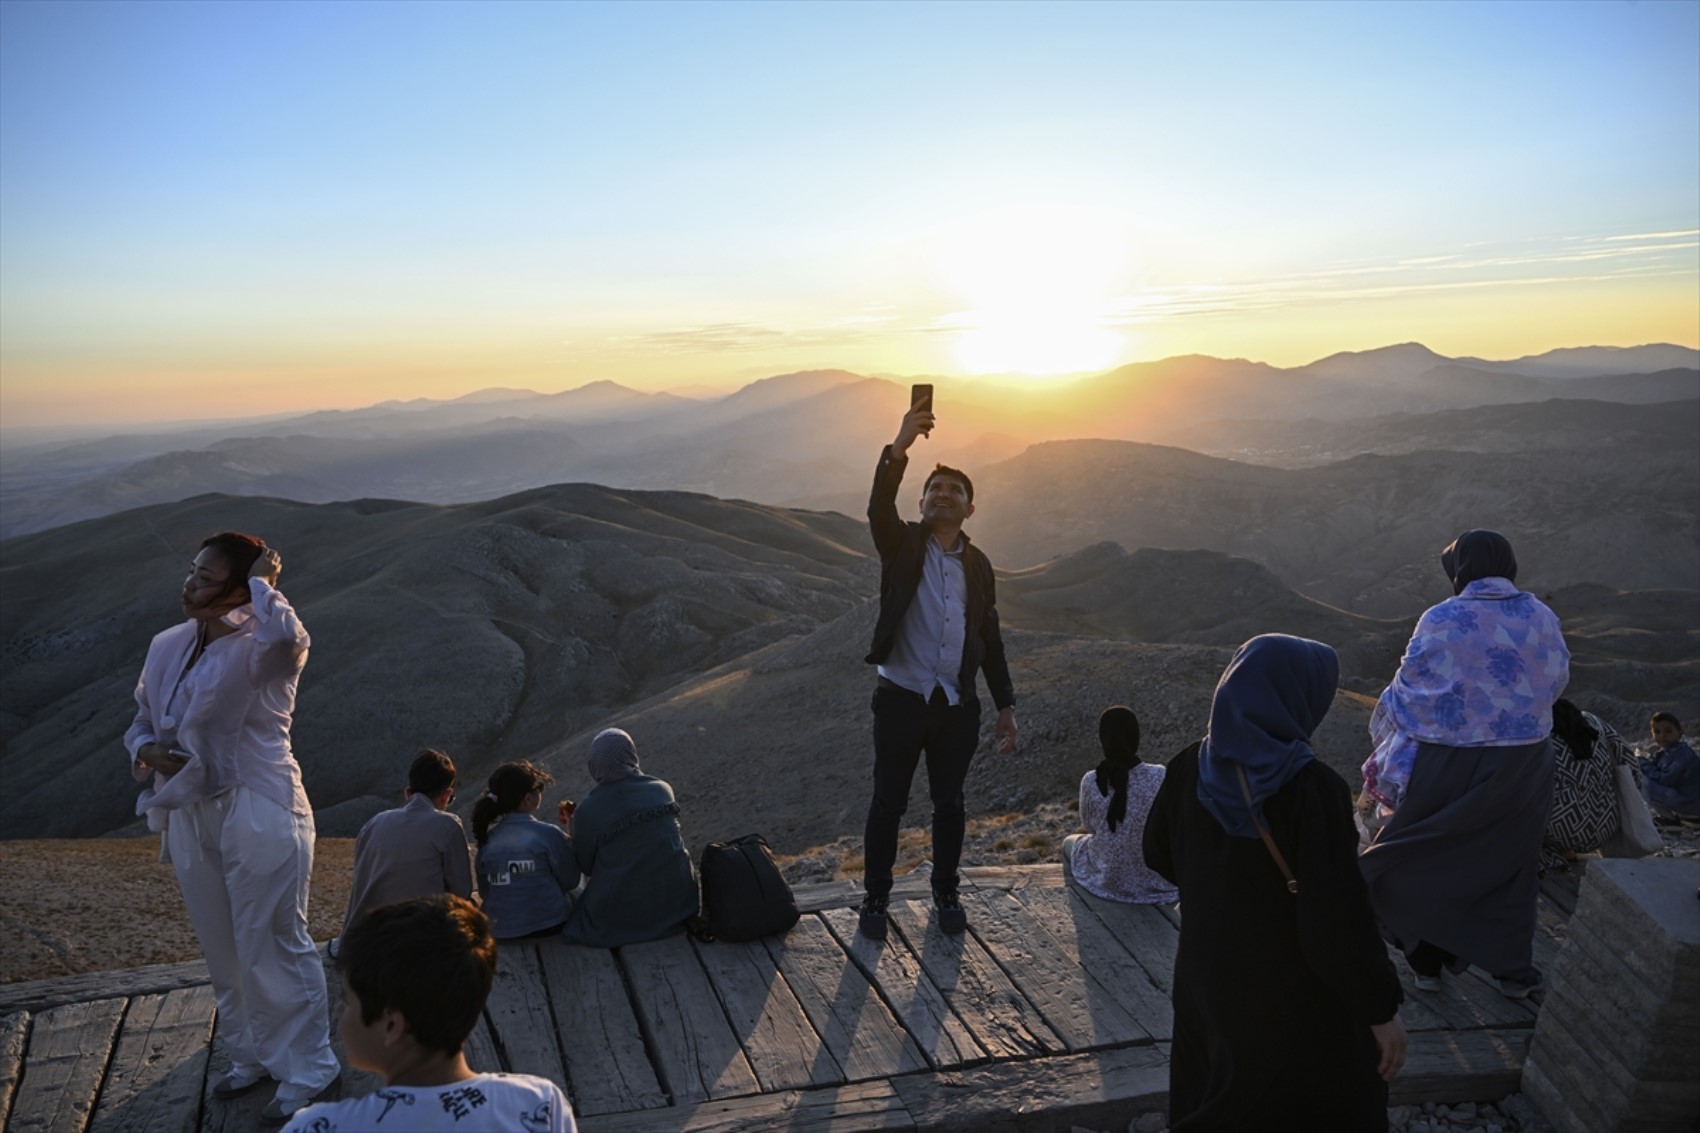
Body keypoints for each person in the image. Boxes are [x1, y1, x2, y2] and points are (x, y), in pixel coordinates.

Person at [1143, 634, 1407, 1132]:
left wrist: (1215, 887)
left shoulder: (1186, 767)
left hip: (1205, 977)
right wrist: (1380, 1009)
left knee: (1212, 1087)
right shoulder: (1312, 790)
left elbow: (1155, 852)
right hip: (1286, 993)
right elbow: (1337, 920)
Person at [125, 532, 341, 1125]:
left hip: (260, 805)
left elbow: (291, 638)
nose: (189, 585)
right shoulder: (168, 644)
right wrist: (148, 750)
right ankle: (253, 1054)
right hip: (191, 811)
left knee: (272, 939)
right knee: (224, 948)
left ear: (240, 587)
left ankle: (309, 1068)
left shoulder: (261, 648)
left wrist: (267, 586)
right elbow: (143, 717)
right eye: (192, 572)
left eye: (205, 577)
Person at [1358, 530, 1570, 1000]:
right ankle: (1513, 971)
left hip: (1447, 757)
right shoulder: (1540, 615)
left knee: (1425, 851)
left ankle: (1425, 963)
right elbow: (1555, 681)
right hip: (1524, 762)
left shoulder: (1443, 617)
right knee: (1508, 864)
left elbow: (1412, 683)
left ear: (1460, 568)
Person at [857, 394, 1018, 940]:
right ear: (922, 503)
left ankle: (945, 889)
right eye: (935, 490)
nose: (943, 495)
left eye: (954, 491)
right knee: (888, 803)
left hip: (956, 706)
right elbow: (879, 506)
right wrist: (900, 444)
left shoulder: (979, 566)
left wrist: (1005, 705)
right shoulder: (901, 544)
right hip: (900, 698)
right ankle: (875, 898)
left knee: (950, 804)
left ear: (970, 509)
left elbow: (989, 637)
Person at [281, 895, 576, 1133]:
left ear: (393, 1025)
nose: (338, 1011)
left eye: (346, 1000)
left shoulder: (317, 1127)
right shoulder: (539, 1106)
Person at [558, 728, 699, 947]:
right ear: (630, 754)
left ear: (594, 764)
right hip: (679, 903)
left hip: (622, 913)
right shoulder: (662, 789)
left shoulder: (587, 811)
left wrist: (573, 827)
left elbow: (585, 867)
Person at [337, 749, 477, 953]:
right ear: (447, 795)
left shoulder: (374, 823)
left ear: (408, 793)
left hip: (363, 941)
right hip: (418, 941)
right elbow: (462, 891)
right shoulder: (447, 825)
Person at [1062, 706, 1178, 905]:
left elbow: (1089, 826)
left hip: (1108, 879)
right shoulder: (1160, 775)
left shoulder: (1092, 780)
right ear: (1135, 737)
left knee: (1069, 842)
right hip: (1155, 879)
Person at [472, 762, 579, 940]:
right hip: (550, 924)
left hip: (500, 929)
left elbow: (485, 891)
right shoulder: (548, 834)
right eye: (539, 788)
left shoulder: (487, 840)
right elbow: (571, 880)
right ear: (527, 799)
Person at [1540, 700, 1638, 871]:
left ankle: (1548, 853)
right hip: (1607, 826)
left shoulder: (1537, 730)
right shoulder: (1594, 723)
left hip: (1558, 826)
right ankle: (1564, 849)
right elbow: (1631, 764)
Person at [1642, 712, 1700, 819]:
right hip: (1689, 800)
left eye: (1668, 731)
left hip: (1690, 804)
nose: (1662, 735)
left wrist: (1643, 764)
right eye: (1657, 731)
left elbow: (1666, 779)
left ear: (1680, 733)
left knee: (1644, 782)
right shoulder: (1669, 752)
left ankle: (1671, 819)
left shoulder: (1683, 756)